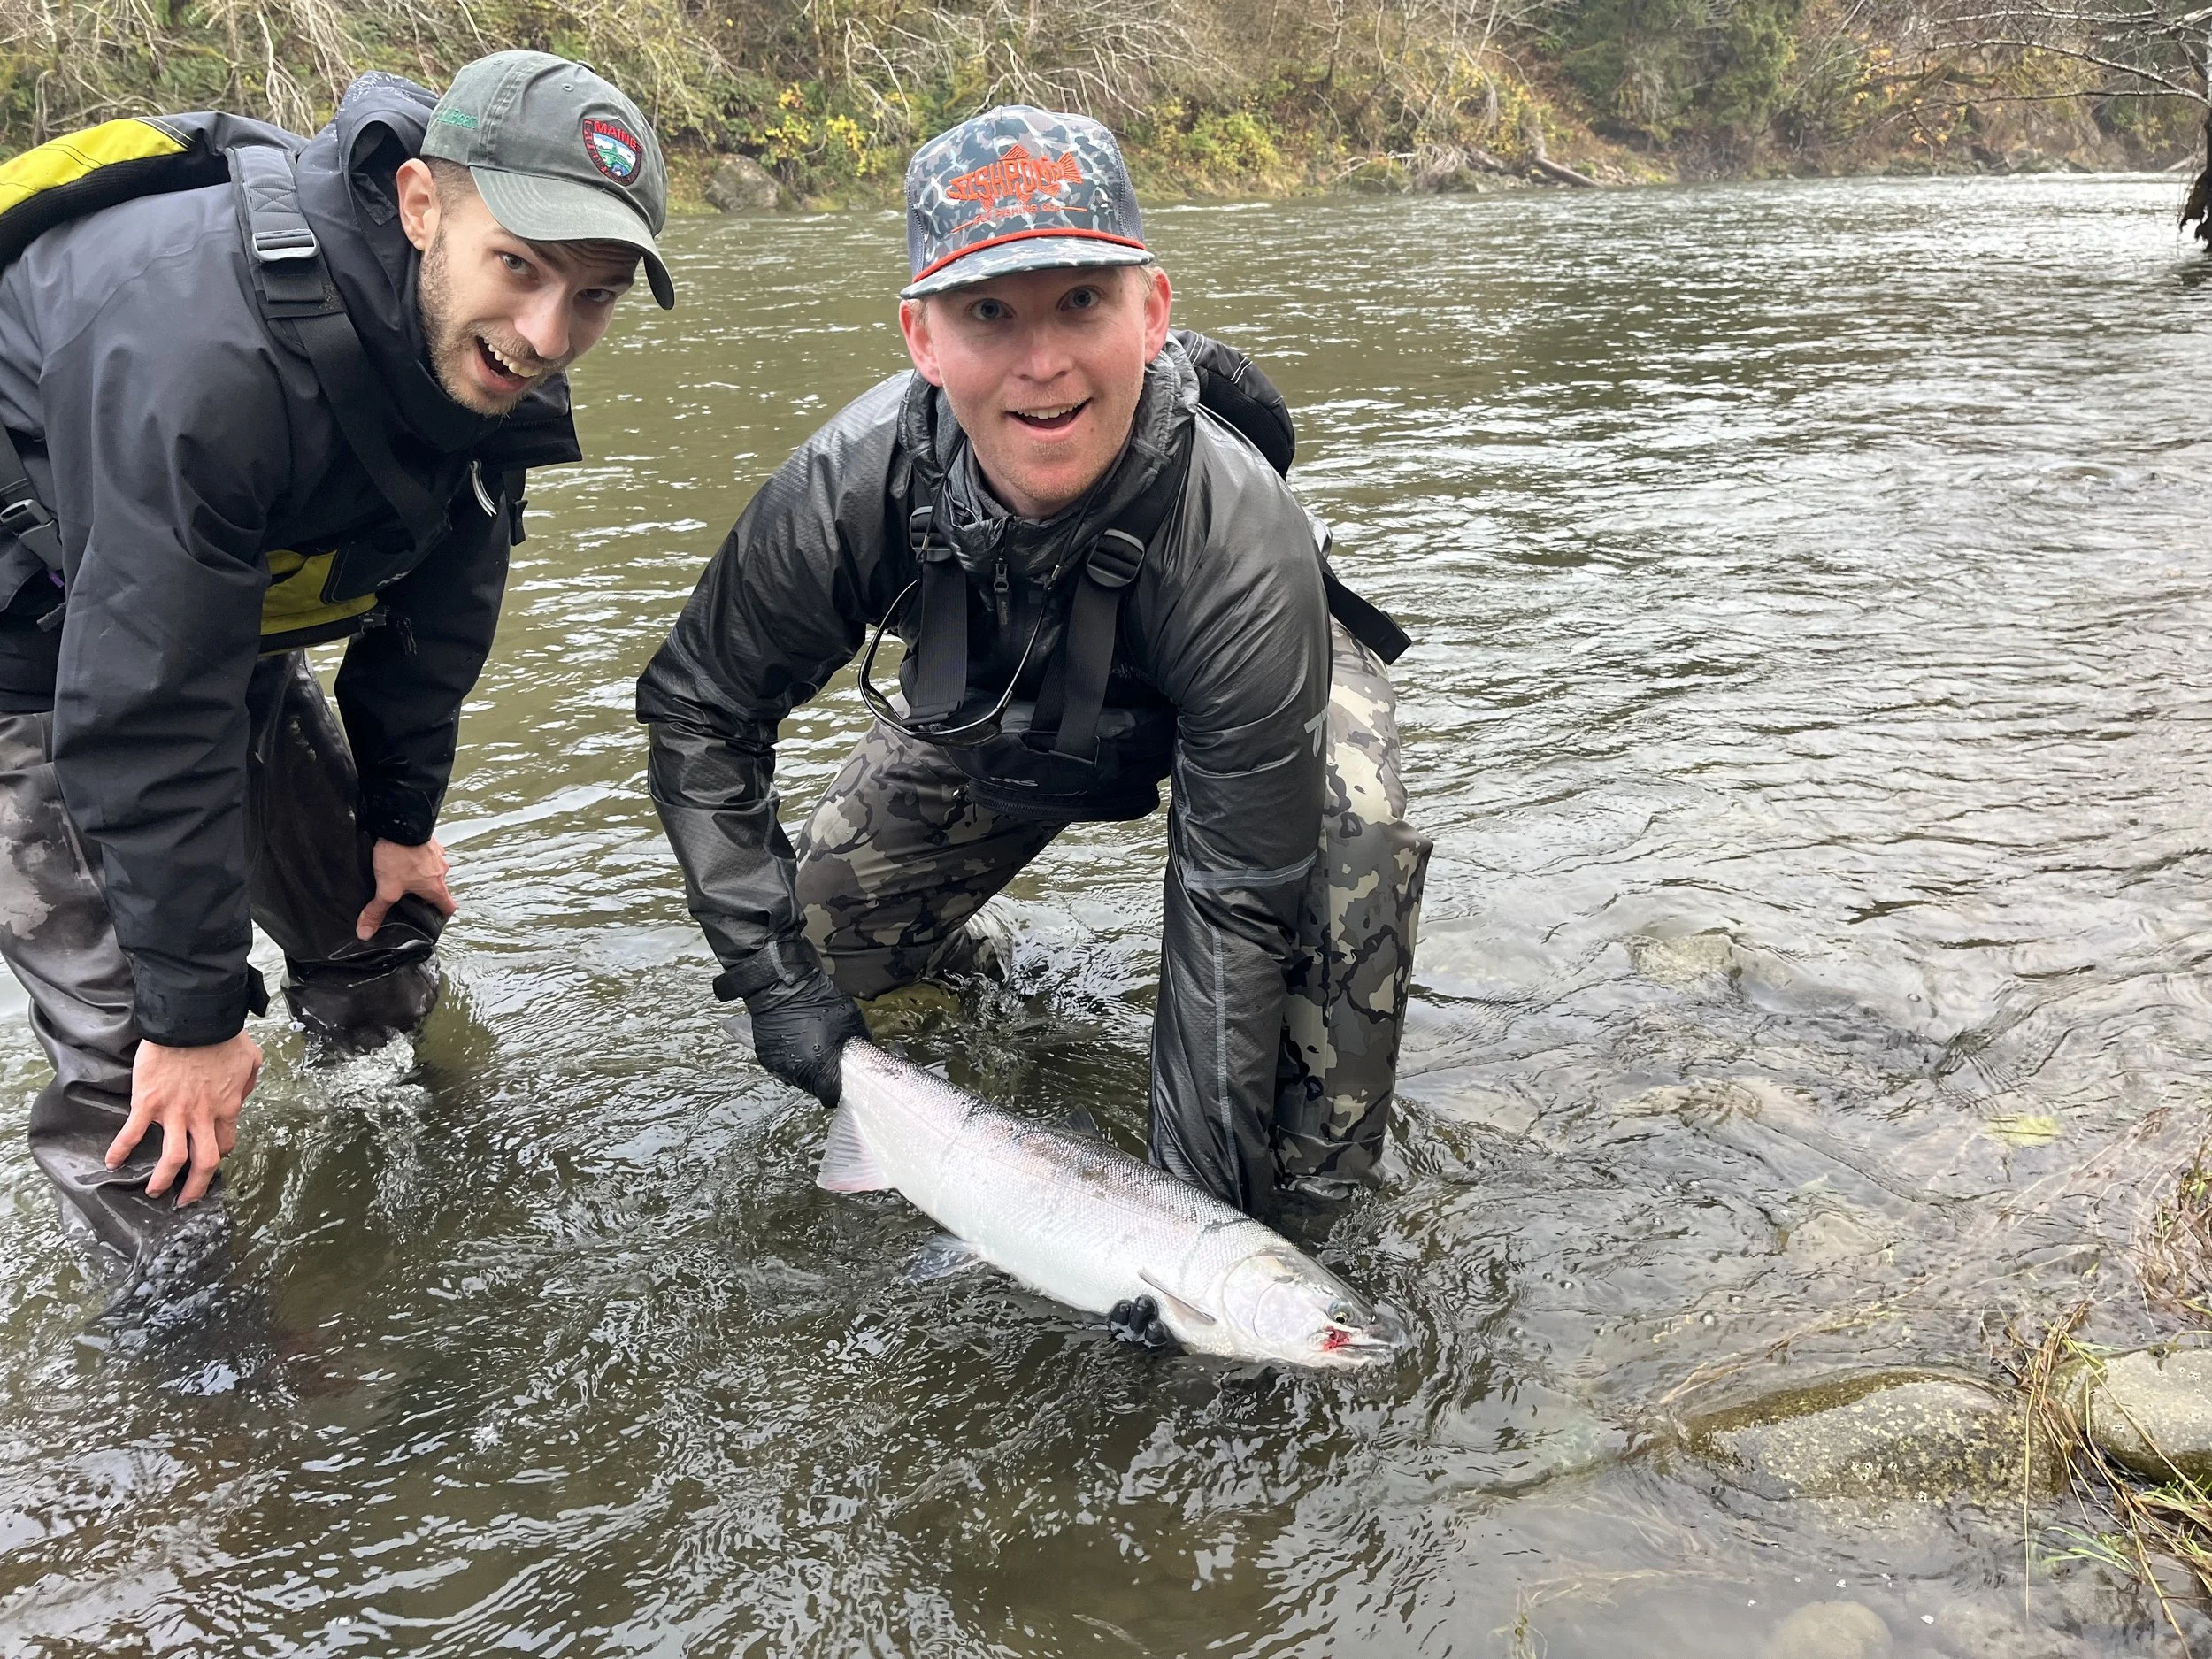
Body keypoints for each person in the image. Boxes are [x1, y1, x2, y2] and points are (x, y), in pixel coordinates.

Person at [638, 106, 1429, 1233]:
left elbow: (1232, 904)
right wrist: (774, 985)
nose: (1043, 362)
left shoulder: (1239, 539)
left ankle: (1316, 1210)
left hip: (1258, 675)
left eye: (1081, 302)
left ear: (1151, 312)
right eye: (989, 312)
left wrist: (1195, 1238)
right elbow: (700, 711)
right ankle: (977, 967)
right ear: (922, 339)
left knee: (1349, 836)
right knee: (816, 948)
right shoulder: (846, 489)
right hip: (1010, 685)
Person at [0, 50, 674, 1264]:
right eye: (519, 266)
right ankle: (200, 1358)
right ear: (421, 205)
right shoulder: (206, 358)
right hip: (28, 644)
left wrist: (400, 819)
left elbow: (442, 604)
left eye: (594, 296)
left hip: (197, 607)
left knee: (373, 932)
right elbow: (145, 708)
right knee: (139, 1065)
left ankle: (425, 1203)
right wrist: (194, 1018)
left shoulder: (491, 355)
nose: (544, 333)